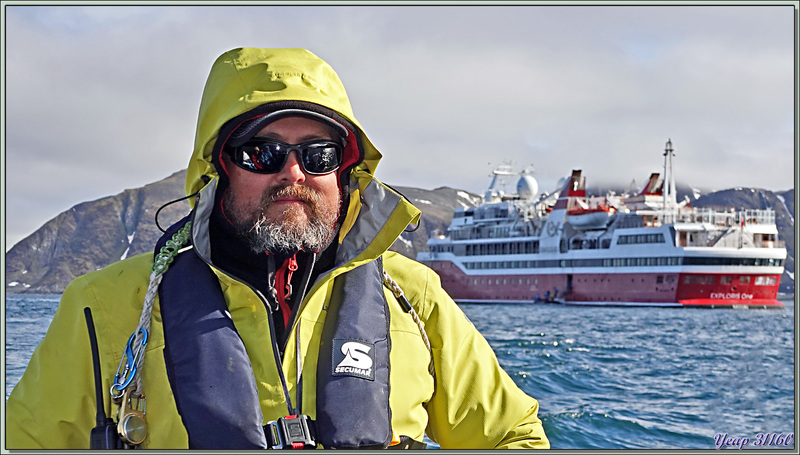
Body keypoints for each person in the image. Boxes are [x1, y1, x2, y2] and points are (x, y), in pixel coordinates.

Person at [6, 47, 550, 450]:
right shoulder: (99, 308)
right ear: (218, 167)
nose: (294, 173)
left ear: (345, 171)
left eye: (318, 154)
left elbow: (512, 435)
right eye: (262, 152)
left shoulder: (414, 297)